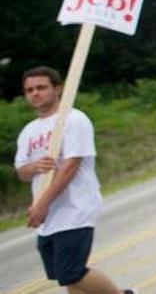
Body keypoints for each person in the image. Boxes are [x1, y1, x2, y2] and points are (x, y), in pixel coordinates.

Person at [14, 66, 136, 294]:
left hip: (75, 208)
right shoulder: (28, 131)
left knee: (71, 270)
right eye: (29, 89)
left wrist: (42, 204)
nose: (35, 93)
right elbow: (21, 171)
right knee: (64, 275)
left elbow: (70, 167)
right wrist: (33, 167)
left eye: (41, 87)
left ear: (57, 88)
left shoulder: (74, 119)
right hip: (49, 217)